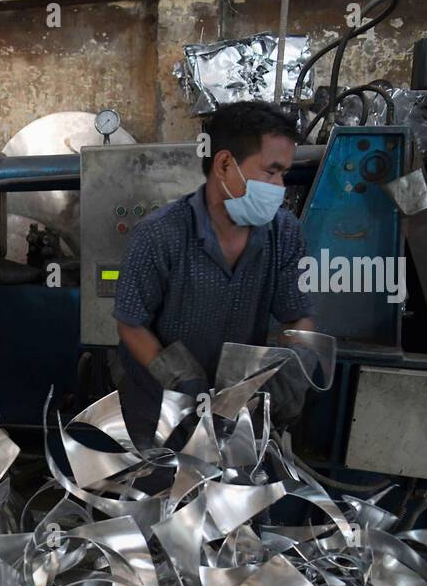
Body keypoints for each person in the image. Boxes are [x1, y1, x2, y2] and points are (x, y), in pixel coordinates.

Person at [113, 100, 318, 447]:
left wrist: (290, 366)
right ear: (225, 164)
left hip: (238, 413)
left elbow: (297, 316)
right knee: (165, 495)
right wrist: (182, 380)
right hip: (159, 412)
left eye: (284, 173)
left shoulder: (284, 233)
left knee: (235, 497)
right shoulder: (160, 235)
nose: (280, 185)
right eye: (271, 171)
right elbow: (131, 323)